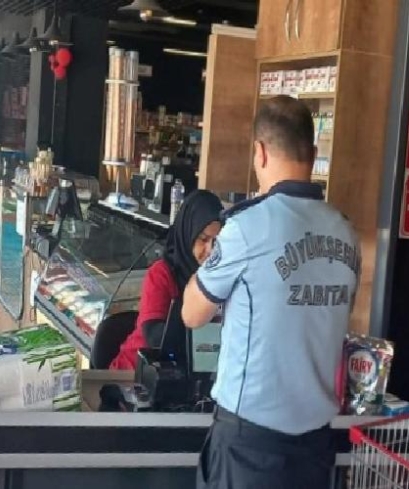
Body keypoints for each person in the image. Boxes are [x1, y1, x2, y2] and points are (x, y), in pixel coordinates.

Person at [181, 96, 362, 489]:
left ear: (259, 152)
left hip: (251, 447)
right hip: (316, 446)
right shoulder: (346, 232)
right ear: (312, 153)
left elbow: (192, 314)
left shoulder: (247, 228)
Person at [110, 190, 223, 370]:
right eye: (203, 239)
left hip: (185, 373)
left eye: (217, 241)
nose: (210, 250)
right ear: (187, 235)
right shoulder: (161, 274)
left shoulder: (221, 278)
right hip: (134, 373)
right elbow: (154, 336)